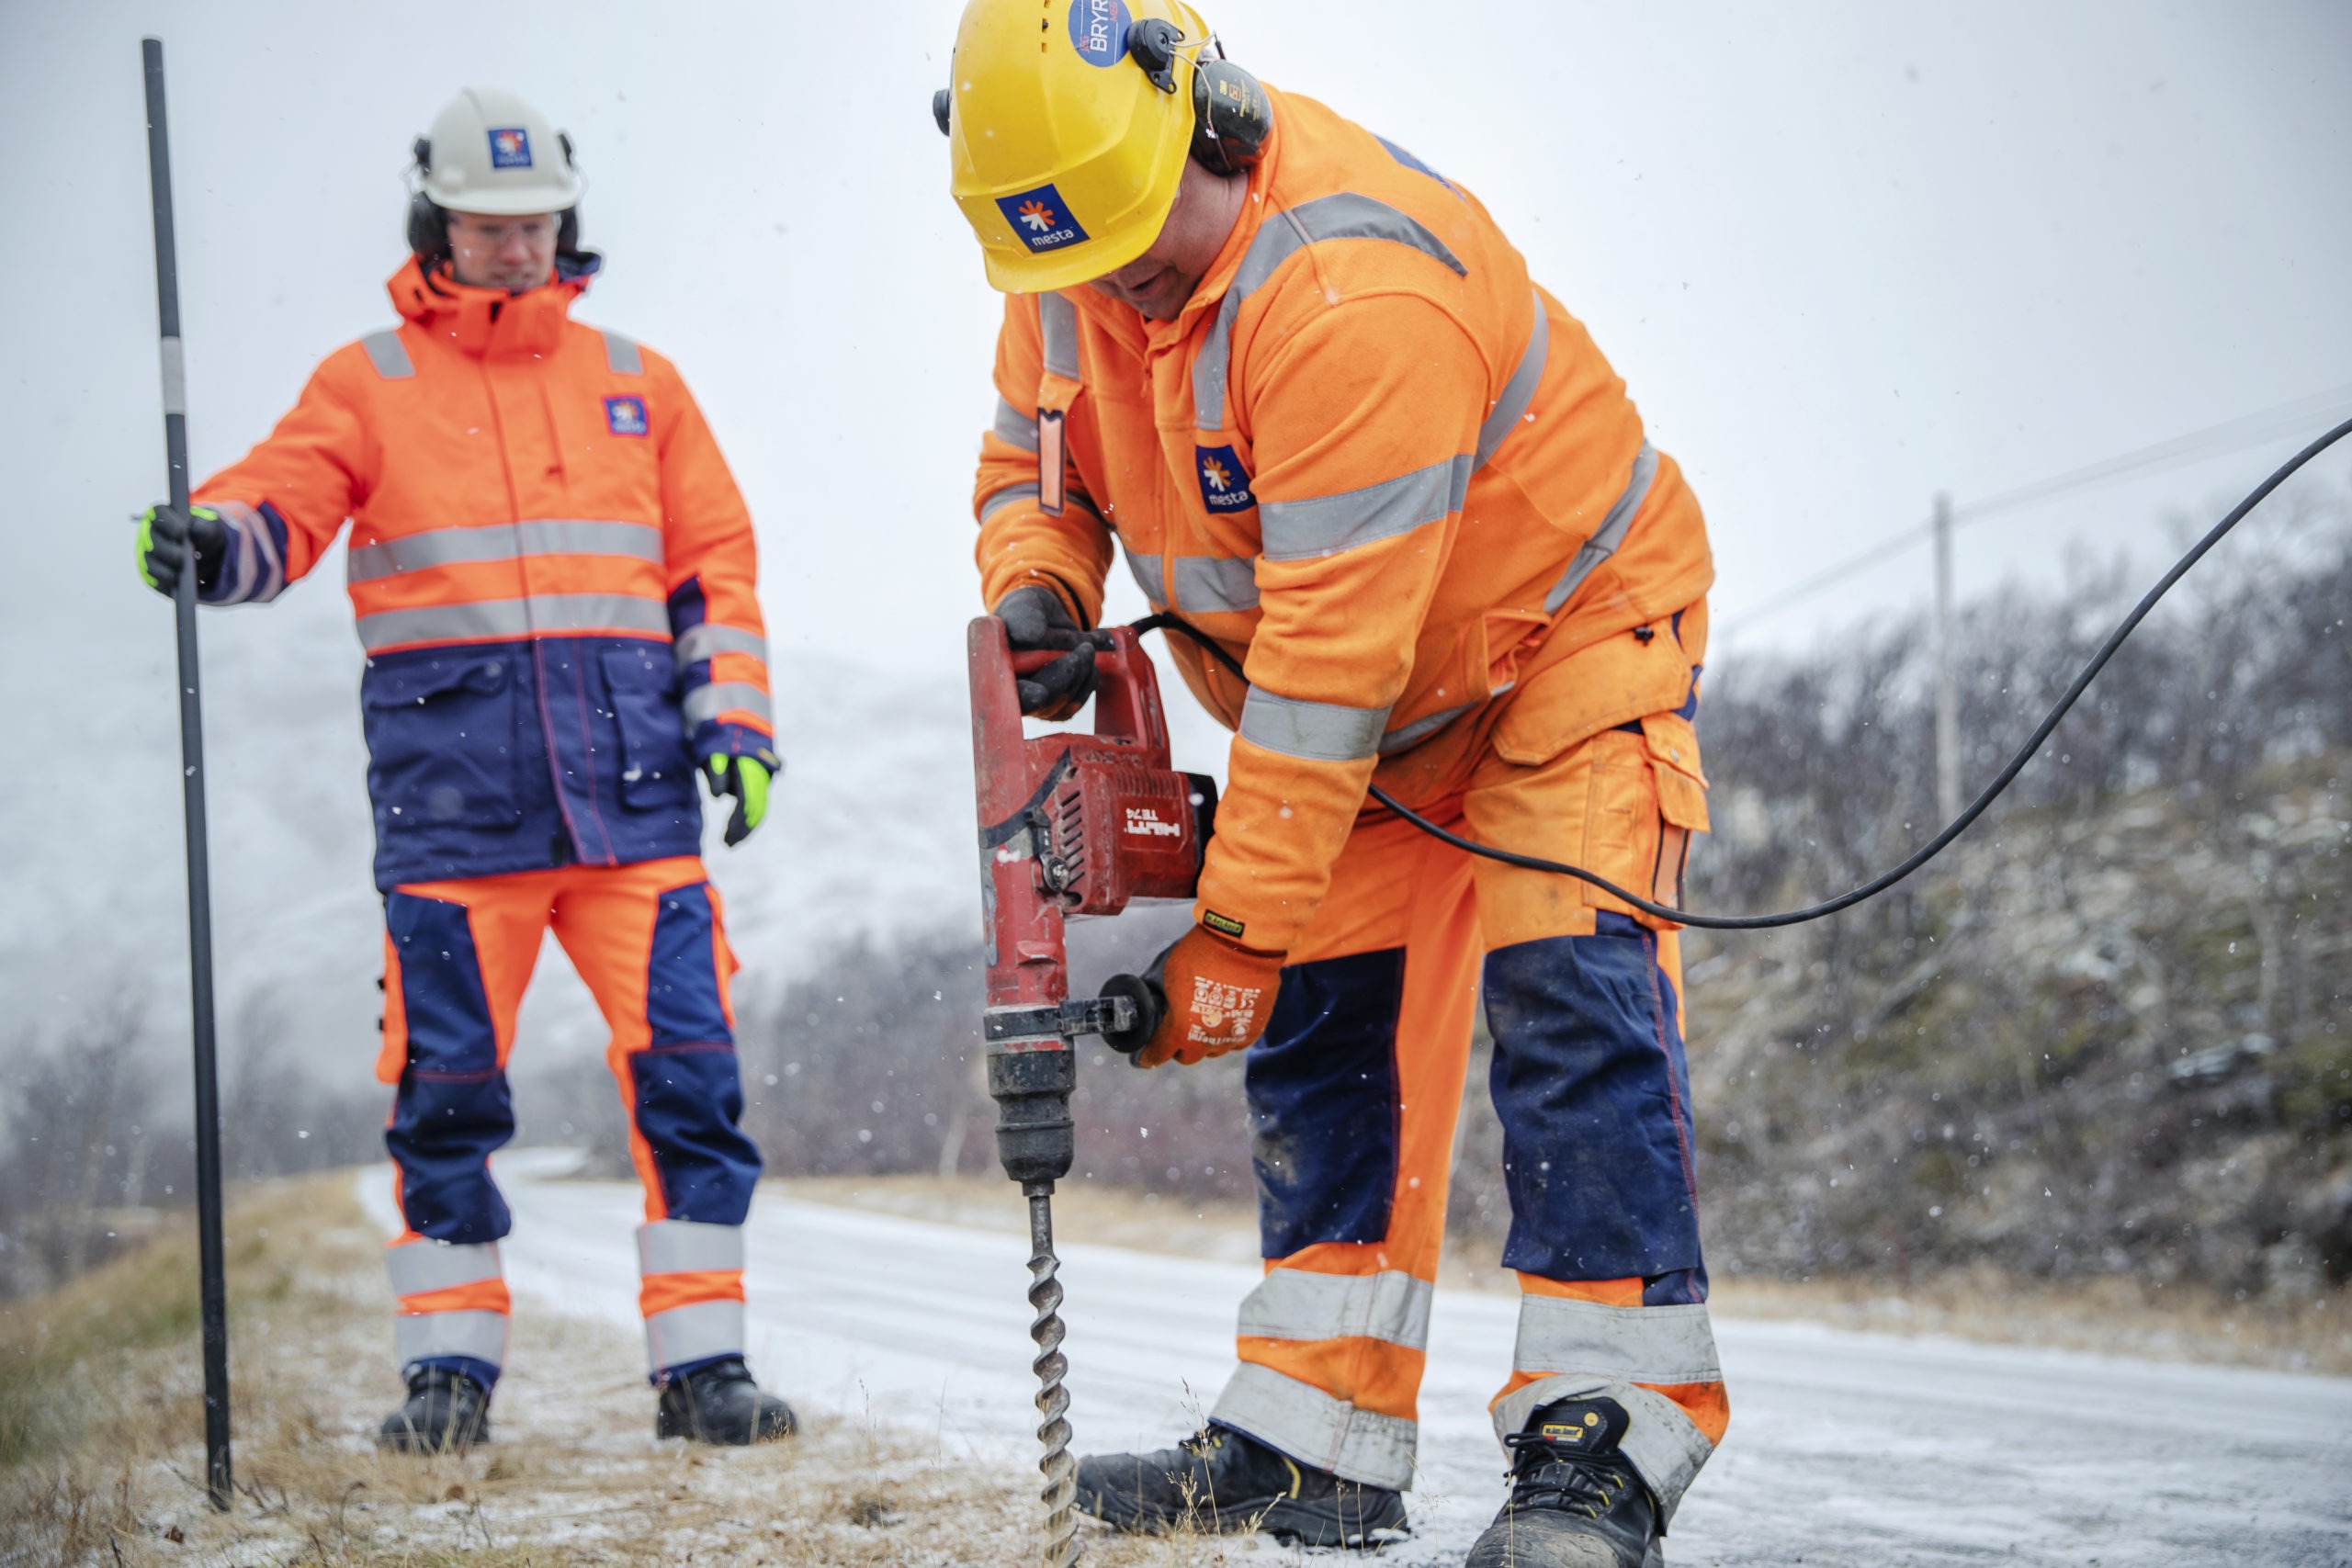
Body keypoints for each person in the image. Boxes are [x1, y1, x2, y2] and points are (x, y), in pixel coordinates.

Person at [938, 6, 1724, 1562]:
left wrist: (1230, 939)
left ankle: (1606, 1439)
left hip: (1557, 639)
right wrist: (1038, 581)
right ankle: (1317, 1436)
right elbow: (1031, 469)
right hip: (1364, 697)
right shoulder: (1068, 261)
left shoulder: (1355, 291)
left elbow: (1324, 671)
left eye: (1141, 247)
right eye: (1077, 263)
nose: (1114, 288)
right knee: (1328, 1030)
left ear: (1209, 122)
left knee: (1566, 1005)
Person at [134, 86, 791, 1451]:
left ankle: (704, 1370)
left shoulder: (640, 386)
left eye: (536, 223)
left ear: (568, 220)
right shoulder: (366, 385)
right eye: (488, 226)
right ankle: (446, 1378)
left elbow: (711, 569)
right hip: (451, 822)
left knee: (690, 1085)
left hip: (638, 817)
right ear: (435, 219)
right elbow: (280, 504)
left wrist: (733, 724)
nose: (514, 248)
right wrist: (214, 541)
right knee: (445, 1102)